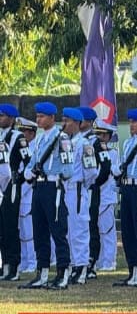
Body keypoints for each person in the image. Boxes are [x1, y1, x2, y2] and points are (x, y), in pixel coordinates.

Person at [19, 103, 74, 290]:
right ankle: (42, 273)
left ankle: (63, 273)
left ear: (52, 118)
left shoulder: (62, 138)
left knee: (58, 231)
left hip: (53, 187)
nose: (38, 119)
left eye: (42, 116)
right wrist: (28, 172)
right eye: (37, 116)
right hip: (39, 187)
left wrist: (57, 174)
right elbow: (33, 162)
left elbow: (68, 169)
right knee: (39, 231)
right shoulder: (42, 140)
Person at [62, 108, 95, 286]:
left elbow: (91, 171)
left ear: (77, 122)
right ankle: (71, 264)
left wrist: (81, 185)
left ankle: (81, 268)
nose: (63, 123)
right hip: (64, 190)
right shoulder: (63, 142)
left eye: (67, 120)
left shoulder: (85, 144)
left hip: (76, 189)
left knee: (79, 230)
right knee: (66, 230)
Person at [87, 119, 119, 279]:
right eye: (96, 133)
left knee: (107, 230)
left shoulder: (112, 153)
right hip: (94, 196)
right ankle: (98, 260)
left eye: (101, 134)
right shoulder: (93, 149)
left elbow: (108, 173)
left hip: (106, 196)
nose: (98, 137)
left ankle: (109, 261)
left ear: (108, 136)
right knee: (94, 230)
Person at [0, 104, 26, 280]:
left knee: (10, 225)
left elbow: (28, 159)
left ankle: (14, 265)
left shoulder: (18, 137)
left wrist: (20, 177)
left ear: (11, 118)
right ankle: (4, 265)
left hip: (11, 184)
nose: (0, 119)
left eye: (2, 116)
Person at [16, 117, 38, 275]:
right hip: (21, 195)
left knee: (30, 233)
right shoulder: (23, 148)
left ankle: (32, 261)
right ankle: (24, 261)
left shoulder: (34, 149)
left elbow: (31, 174)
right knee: (22, 231)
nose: (22, 134)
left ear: (31, 133)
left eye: (24, 131)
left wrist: (22, 189)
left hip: (29, 194)